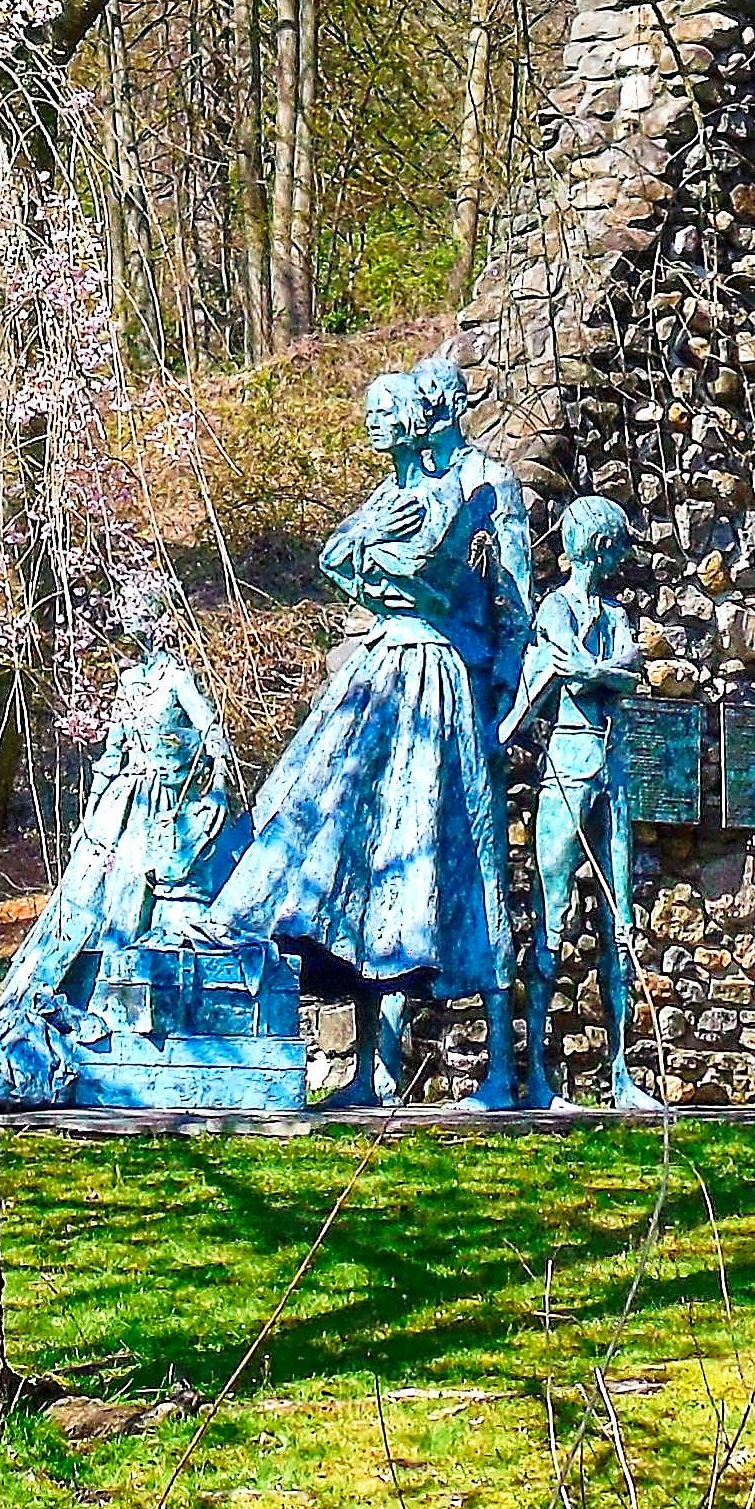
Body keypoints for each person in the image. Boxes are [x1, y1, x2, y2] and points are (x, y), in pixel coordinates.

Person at [211, 352, 534, 1105]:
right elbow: (339, 559)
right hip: (381, 672)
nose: (417, 419)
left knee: (426, 855)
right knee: (351, 844)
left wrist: (505, 706)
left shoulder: (482, 487)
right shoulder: (397, 491)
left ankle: (479, 1065)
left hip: (441, 676)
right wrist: (366, 551)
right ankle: (362, 1063)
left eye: (427, 403)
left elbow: (501, 603)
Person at [0, 571, 239, 1038]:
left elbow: (211, 729)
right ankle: (60, 991)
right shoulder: (129, 682)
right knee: (88, 886)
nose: (134, 621)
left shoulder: (176, 678)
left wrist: (216, 785)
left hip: (160, 797)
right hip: (122, 798)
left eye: (143, 611)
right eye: (130, 612)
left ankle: (116, 999)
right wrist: (92, 807)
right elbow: (113, 748)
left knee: (132, 892)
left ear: (162, 619)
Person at [502, 493, 663, 1111]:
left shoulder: (616, 614)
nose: (621, 557)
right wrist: (602, 669)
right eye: (617, 546)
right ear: (599, 548)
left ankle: (621, 1074)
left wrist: (598, 668)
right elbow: (571, 672)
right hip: (566, 769)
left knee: (620, 922)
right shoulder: (555, 608)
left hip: (613, 773)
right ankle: (538, 1076)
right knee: (550, 916)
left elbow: (627, 672)